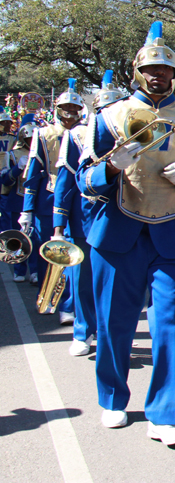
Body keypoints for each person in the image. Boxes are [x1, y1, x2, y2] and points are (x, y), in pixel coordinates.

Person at [76, 21, 175, 445]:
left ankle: (164, 414)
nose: (159, 75)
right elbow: (84, 180)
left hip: (174, 233)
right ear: (138, 72)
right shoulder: (107, 117)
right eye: (151, 69)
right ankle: (112, 398)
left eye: (166, 70)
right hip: (117, 233)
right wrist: (111, 167)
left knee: (170, 327)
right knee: (114, 324)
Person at [54, 73, 121, 357]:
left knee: (116, 283)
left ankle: (112, 334)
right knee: (82, 280)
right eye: (103, 108)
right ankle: (83, 332)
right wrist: (58, 226)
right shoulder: (76, 135)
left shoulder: (136, 134)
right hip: (83, 219)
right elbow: (65, 184)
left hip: (120, 218)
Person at [22, 78, 86, 322]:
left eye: (75, 108)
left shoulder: (87, 132)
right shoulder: (43, 133)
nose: (70, 112)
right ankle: (48, 295)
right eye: (65, 107)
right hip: (48, 199)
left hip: (78, 199)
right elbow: (33, 172)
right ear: (57, 109)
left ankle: (69, 304)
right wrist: (27, 209)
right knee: (48, 253)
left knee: (74, 254)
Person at [4, 114, 40, 282]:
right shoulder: (13, 154)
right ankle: (19, 269)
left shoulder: (43, 152)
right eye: (28, 138)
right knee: (18, 236)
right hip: (18, 199)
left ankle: (35, 270)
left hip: (36, 200)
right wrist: (17, 168)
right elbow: (6, 181)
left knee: (35, 237)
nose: (31, 141)